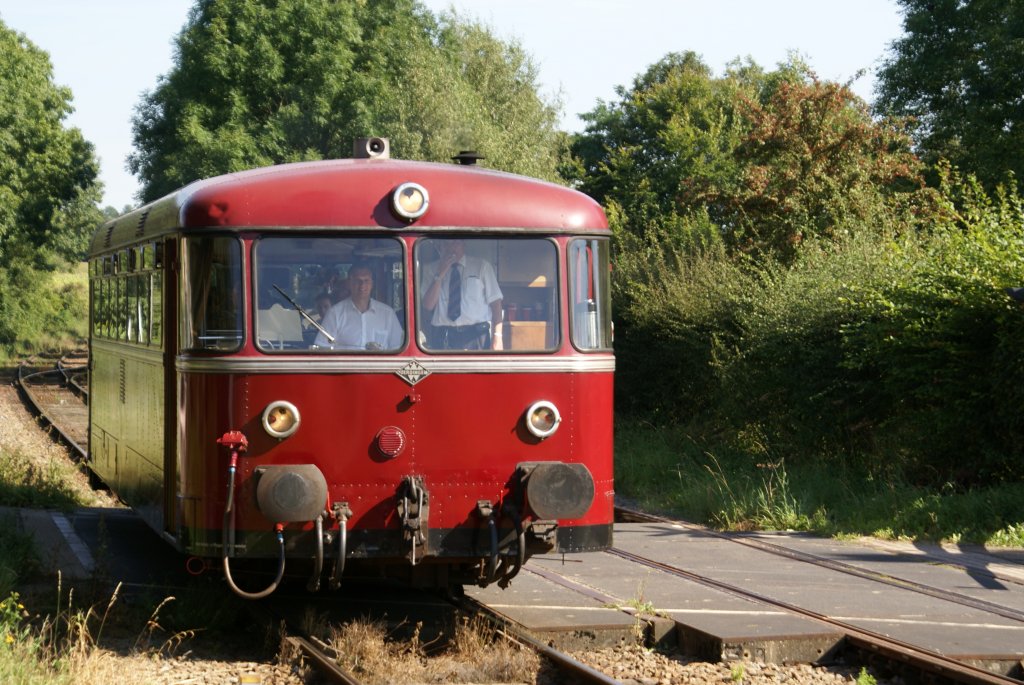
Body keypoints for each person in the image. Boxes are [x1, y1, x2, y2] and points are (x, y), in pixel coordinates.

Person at [421, 239, 503, 350]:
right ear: (439, 247)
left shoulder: (482, 266)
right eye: (446, 244)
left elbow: (496, 305)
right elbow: (428, 305)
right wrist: (439, 274)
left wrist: (497, 337)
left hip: (476, 335)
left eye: (456, 243)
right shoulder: (430, 269)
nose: (451, 248)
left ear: (464, 244)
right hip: (443, 334)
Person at [313, 263, 403, 350]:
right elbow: (322, 348)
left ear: (372, 284)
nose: (362, 285)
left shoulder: (388, 314)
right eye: (357, 281)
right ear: (349, 283)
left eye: (366, 280)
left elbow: (398, 347)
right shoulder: (334, 313)